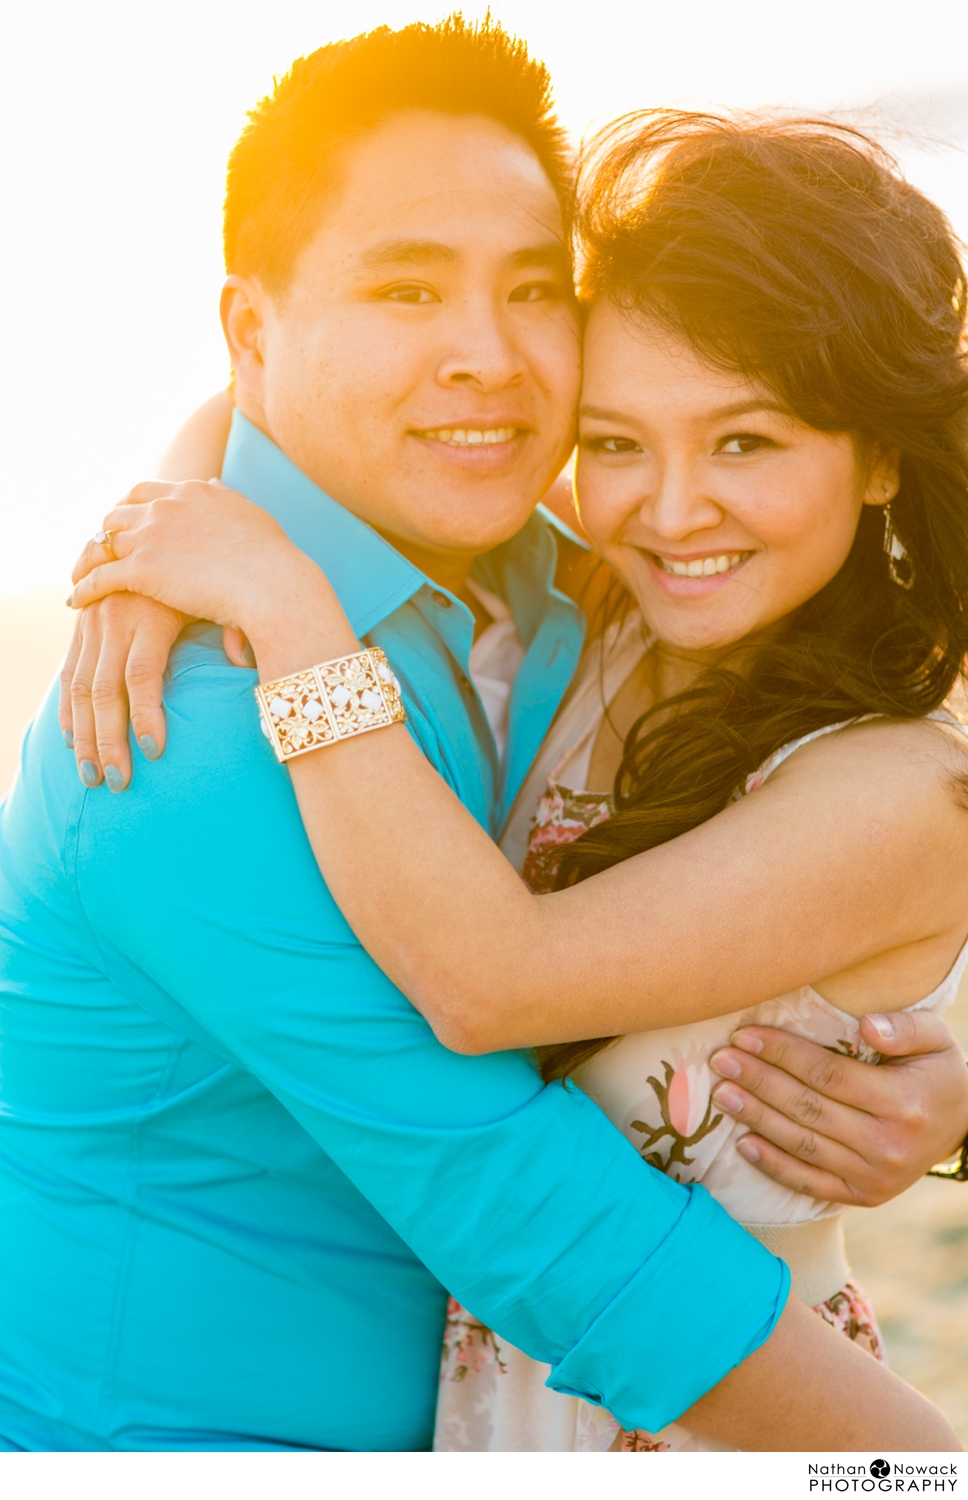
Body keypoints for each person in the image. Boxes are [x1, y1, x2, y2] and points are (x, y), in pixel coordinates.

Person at [65, 109, 968, 1451]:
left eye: (746, 444)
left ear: (880, 454)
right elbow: (292, 388)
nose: (670, 509)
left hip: (734, 1406)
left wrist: (287, 609)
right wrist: (164, 523)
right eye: (613, 444)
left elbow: (495, 985)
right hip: (513, 1402)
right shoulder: (608, 611)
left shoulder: (899, 788)